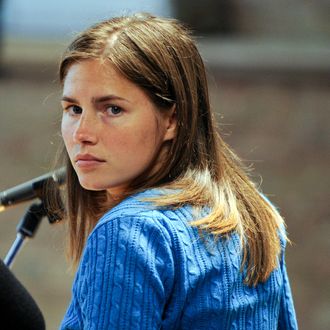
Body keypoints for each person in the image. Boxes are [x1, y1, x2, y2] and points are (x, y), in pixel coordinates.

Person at [55, 13, 298, 329]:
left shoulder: (129, 231)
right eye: (73, 109)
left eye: (112, 109)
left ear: (172, 119)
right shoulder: (255, 212)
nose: (81, 132)